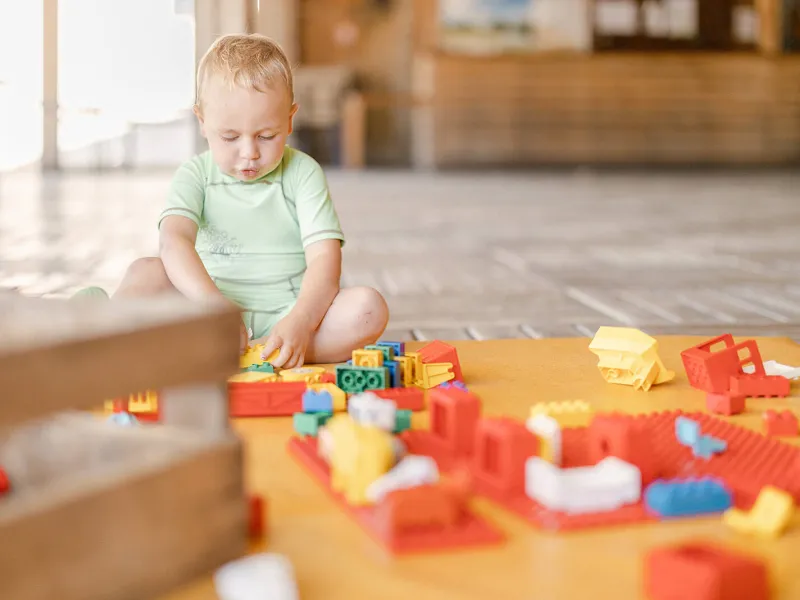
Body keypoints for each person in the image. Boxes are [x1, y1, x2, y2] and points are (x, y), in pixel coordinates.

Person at [73, 33, 388, 368]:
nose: (249, 152)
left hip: (287, 315)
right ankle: (105, 326)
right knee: (146, 271)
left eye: (266, 136)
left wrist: (301, 320)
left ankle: (267, 349)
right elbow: (174, 242)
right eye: (230, 137)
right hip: (206, 315)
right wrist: (215, 308)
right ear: (203, 122)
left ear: (289, 119)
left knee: (368, 308)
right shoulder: (195, 174)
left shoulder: (303, 173)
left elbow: (325, 258)